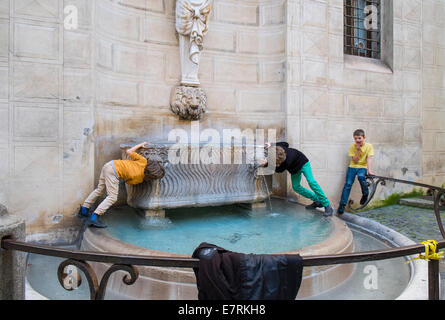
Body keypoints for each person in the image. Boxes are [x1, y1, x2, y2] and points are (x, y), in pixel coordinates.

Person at [77, 141, 165, 228]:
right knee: (112, 197)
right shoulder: (139, 178)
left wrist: (141, 144)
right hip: (113, 173)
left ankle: (84, 210)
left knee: (99, 190)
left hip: (109, 165)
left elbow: (129, 151)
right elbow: (128, 182)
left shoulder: (143, 161)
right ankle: (94, 217)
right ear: (151, 176)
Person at [259, 142, 333, 217]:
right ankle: (317, 200)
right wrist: (271, 145)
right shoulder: (278, 148)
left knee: (311, 182)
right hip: (295, 169)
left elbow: (279, 170)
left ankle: (327, 205)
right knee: (296, 187)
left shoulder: (286, 161)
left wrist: (266, 164)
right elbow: (286, 144)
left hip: (304, 164)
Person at [337, 129, 375, 215]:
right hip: (352, 167)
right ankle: (342, 205)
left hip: (362, 167)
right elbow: (355, 161)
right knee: (348, 184)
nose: (357, 140)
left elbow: (369, 158)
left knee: (361, 177)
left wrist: (369, 170)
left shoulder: (369, 146)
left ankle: (365, 193)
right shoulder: (352, 147)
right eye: (355, 139)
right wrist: (358, 150)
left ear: (364, 137)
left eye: (359, 138)